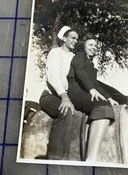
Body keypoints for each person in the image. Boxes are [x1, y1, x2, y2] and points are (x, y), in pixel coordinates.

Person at [67, 33, 119, 162]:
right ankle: (91, 157)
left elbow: (96, 84)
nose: (94, 47)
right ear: (83, 46)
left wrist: (109, 98)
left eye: (95, 46)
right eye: (90, 45)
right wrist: (91, 90)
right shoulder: (79, 56)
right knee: (103, 107)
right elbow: (80, 73)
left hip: (87, 90)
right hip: (76, 91)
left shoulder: (92, 66)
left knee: (107, 103)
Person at [39, 25, 79, 159]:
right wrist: (64, 97)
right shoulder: (56, 52)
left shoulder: (75, 57)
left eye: (77, 39)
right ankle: (56, 158)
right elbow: (53, 76)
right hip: (51, 95)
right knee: (66, 112)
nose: (75, 41)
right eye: (73, 38)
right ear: (64, 39)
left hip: (67, 96)